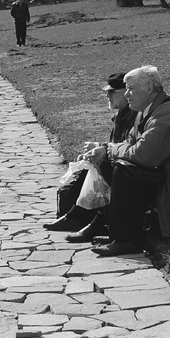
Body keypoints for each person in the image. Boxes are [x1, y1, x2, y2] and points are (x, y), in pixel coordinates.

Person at [91, 65, 170, 257]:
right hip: (166, 179)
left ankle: (129, 239)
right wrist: (108, 150)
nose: (126, 95)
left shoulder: (166, 114)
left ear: (149, 88)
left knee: (124, 171)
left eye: (130, 89)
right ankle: (118, 233)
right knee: (110, 163)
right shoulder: (145, 112)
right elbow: (130, 143)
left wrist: (112, 149)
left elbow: (143, 155)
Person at [43, 73, 138, 242]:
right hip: (125, 162)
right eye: (107, 92)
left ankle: (80, 218)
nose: (107, 95)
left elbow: (129, 147)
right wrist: (99, 148)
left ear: (126, 92)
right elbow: (120, 144)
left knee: (104, 167)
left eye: (112, 92)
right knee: (91, 168)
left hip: (132, 168)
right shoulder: (122, 115)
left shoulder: (133, 116)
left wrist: (102, 149)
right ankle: (76, 216)